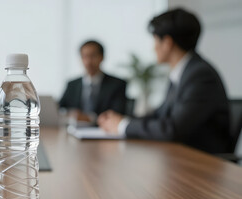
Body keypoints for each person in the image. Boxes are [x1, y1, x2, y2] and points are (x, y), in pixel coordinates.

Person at [98, 8, 230, 154]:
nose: (153, 47)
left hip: (200, 163)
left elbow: (172, 129)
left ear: (167, 42)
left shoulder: (200, 76)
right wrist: (122, 120)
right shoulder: (183, 72)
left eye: (154, 40)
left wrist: (123, 125)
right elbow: (160, 115)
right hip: (177, 156)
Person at [59, 40, 127, 123]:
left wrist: (90, 118)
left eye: (93, 56)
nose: (88, 61)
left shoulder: (117, 84)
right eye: (85, 56)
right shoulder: (72, 84)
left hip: (104, 131)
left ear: (102, 57)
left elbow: (118, 113)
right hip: (73, 130)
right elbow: (59, 108)